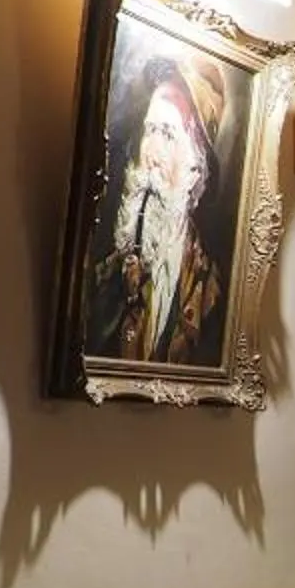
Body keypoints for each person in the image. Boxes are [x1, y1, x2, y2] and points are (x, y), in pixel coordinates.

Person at [87, 51, 232, 366]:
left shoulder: (212, 296)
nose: (150, 154)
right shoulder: (104, 276)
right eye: (150, 130)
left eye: (167, 134)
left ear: (195, 167)